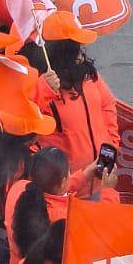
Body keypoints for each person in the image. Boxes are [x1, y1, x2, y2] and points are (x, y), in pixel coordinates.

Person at [33, 12, 120, 172]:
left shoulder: (89, 74)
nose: (82, 54)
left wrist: (110, 144)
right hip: (64, 185)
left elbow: (107, 105)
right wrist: (43, 89)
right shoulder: (39, 83)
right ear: (63, 51)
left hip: (100, 175)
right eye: (77, 48)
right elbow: (24, 124)